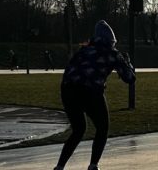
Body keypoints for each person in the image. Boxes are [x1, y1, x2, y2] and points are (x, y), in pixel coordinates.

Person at [54, 20, 136, 170]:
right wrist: (128, 64)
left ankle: (59, 166)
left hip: (68, 90)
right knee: (102, 127)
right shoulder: (112, 54)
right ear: (111, 41)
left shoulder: (83, 50)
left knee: (78, 130)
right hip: (91, 90)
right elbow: (129, 78)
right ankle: (93, 165)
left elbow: (69, 71)